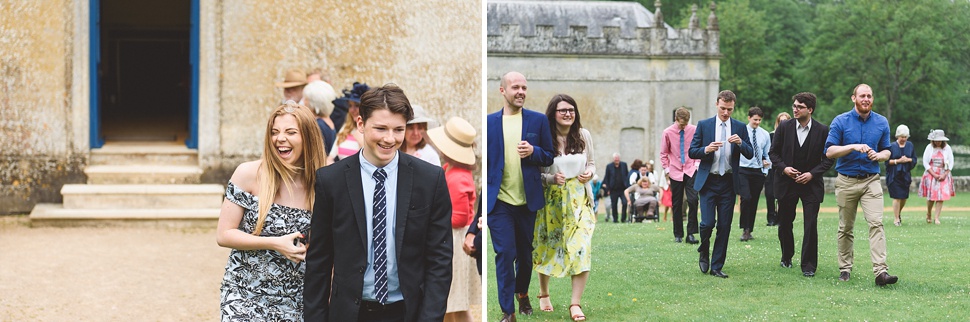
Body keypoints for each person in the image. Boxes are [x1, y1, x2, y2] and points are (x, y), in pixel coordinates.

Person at [304, 84, 453, 321]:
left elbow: (440, 260)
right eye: (381, 128)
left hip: (408, 312)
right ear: (361, 124)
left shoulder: (430, 180)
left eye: (398, 129)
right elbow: (319, 261)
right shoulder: (330, 180)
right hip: (350, 313)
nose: (389, 139)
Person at [217, 101, 327, 321]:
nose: (280, 138)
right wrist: (274, 243)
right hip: (243, 293)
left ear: (308, 138)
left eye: (290, 132)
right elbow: (224, 234)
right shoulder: (248, 174)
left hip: (296, 299)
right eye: (274, 132)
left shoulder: (322, 184)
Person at [486, 71, 555, 322]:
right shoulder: (489, 123)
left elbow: (549, 155)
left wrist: (533, 151)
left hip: (527, 201)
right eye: (515, 87)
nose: (521, 92)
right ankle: (508, 311)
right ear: (503, 91)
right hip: (499, 201)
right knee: (505, 254)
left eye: (524, 87)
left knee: (525, 256)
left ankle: (522, 293)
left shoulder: (538, 121)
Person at [824, 83, 898, 286]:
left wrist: (879, 156)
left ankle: (881, 272)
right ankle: (845, 268)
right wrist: (852, 147)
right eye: (862, 95)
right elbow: (829, 151)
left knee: (876, 223)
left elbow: (887, 151)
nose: (866, 99)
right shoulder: (841, 121)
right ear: (853, 98)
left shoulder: (882, 122)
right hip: (846, 181)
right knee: (846, 227)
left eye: (869, 96)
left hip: (871, 181)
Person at [532, 94, 595, 322]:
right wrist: (549, 179)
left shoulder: (583, 135)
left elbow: (592, 163)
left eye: (571, 109)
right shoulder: (544, 137)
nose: (568, 113)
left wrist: (590, 174)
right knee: (548, 245)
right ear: (553, 113)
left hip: (580, 201)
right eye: (563, 110)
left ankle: (575, 304)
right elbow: (534, 173)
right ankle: (544, 292)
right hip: (552, 202)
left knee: (581, 248)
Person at [688, 90, 753, 278]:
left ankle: (716, 266)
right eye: (723, 108)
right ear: (717, 104)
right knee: (707, 223)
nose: (726, 113)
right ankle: (704, 249)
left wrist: (741, 143)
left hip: (728, 183)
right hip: (708, 182)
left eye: (730, 109)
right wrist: (705, 149)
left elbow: (750, 153)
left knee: (724, 226)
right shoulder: (704, 125)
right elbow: (692, 151)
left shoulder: (740, 127)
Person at [768, 92, 834, 277]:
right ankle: (786, 256)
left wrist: (812, 174)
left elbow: (828, 160)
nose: (794, 109)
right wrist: (784, 169)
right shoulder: (784, 128)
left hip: (811, 185)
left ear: (810, 110)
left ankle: (809, 265)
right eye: (794, 106)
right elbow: (773, 153)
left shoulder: (822, 131)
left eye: (799, 107)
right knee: (785, 223)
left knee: (810, 224)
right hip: (786, 183)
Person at [426, 116, 478, 322]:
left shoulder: (457, 177)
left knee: (455, 303)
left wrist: (432, 220)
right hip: (450, 240)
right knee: (448, 304)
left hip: (455, 243)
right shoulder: (451, 170)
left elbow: (460, 217)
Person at [661, 107, 700, 244]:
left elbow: (697, 148)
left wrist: (696, 164)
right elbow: (664, 153)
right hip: (675, 170)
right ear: (676, 119)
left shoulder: (694, 130)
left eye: (686, 123)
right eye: (681, 124)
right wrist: (667, 170)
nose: (684, 126)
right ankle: (678, 234)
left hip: (690, 169)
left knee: (693, 200)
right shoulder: (667, 132)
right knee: (676, 204)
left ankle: (691, 233)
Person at [738, 107, 771, 242]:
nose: (757, 122)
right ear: (749, 118)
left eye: (759, 120)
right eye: (755, 119)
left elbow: (767, 153)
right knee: (745, 198)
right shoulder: (741, 132)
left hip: (758, 171)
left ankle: (749, 229)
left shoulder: (765, 134)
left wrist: (765, 170)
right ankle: (744, 228)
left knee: (754, 200)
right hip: (743, 169)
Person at [918, 129, 954, 225]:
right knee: (931, 197)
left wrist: (945, 174)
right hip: (931, 173)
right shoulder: (929, 147)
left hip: (943, 173)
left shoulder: (947, 148)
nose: (938, 142)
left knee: (940, 197)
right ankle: (929, 213)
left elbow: (951, 162)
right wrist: (934, 174)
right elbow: (925, 162)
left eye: (939, 140)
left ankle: (937, 217)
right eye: (936, 140)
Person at [328, 82, 370, 164]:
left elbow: (373, 161)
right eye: (350, 106)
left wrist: (362, 142)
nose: (352, 110)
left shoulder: (371, 131)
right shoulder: (346, 128)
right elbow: (330, 157)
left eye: (356, 106)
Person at [886, 124, 917, 226]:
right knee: (897, 197)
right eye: (901, 137)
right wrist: (898, 161)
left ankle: (898, 214)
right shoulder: (891, 146)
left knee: (903, 197)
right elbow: (887, 162)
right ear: (897, 136)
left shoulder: (910, 145)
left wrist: (907, 160)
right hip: (894, 175)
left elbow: (914, 159)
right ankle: (896, 219)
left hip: (905, 175)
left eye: (905, 137)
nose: (903, 139)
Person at [764, 112, 791, 226]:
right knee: (770, 194)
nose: (783, 123)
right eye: (781, 121)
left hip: (784, 168)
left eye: (785, 121)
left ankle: (781, 217)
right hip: (772, 167)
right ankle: (771, 217)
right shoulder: (771, 135)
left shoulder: (791, 136)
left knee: (782, 195)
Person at [303, 80, 338, 154]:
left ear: (314, 103)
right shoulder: (328, 121)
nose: (304, 102)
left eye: (306, 99)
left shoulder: (318, 125)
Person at [602, 153, 630, 223]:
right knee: (614, 205)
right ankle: (615, 219)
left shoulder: (624, 165)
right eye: (615, 159)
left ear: (619, 159)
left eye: (617, 159)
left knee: (624, 203)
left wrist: (627, 186)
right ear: (613, 159)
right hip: (613, 189)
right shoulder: (609, 166)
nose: (616, 160)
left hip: (623, 189)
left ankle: (623, 219)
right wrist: (608, 189)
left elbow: (627, 175)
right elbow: (607, 178)